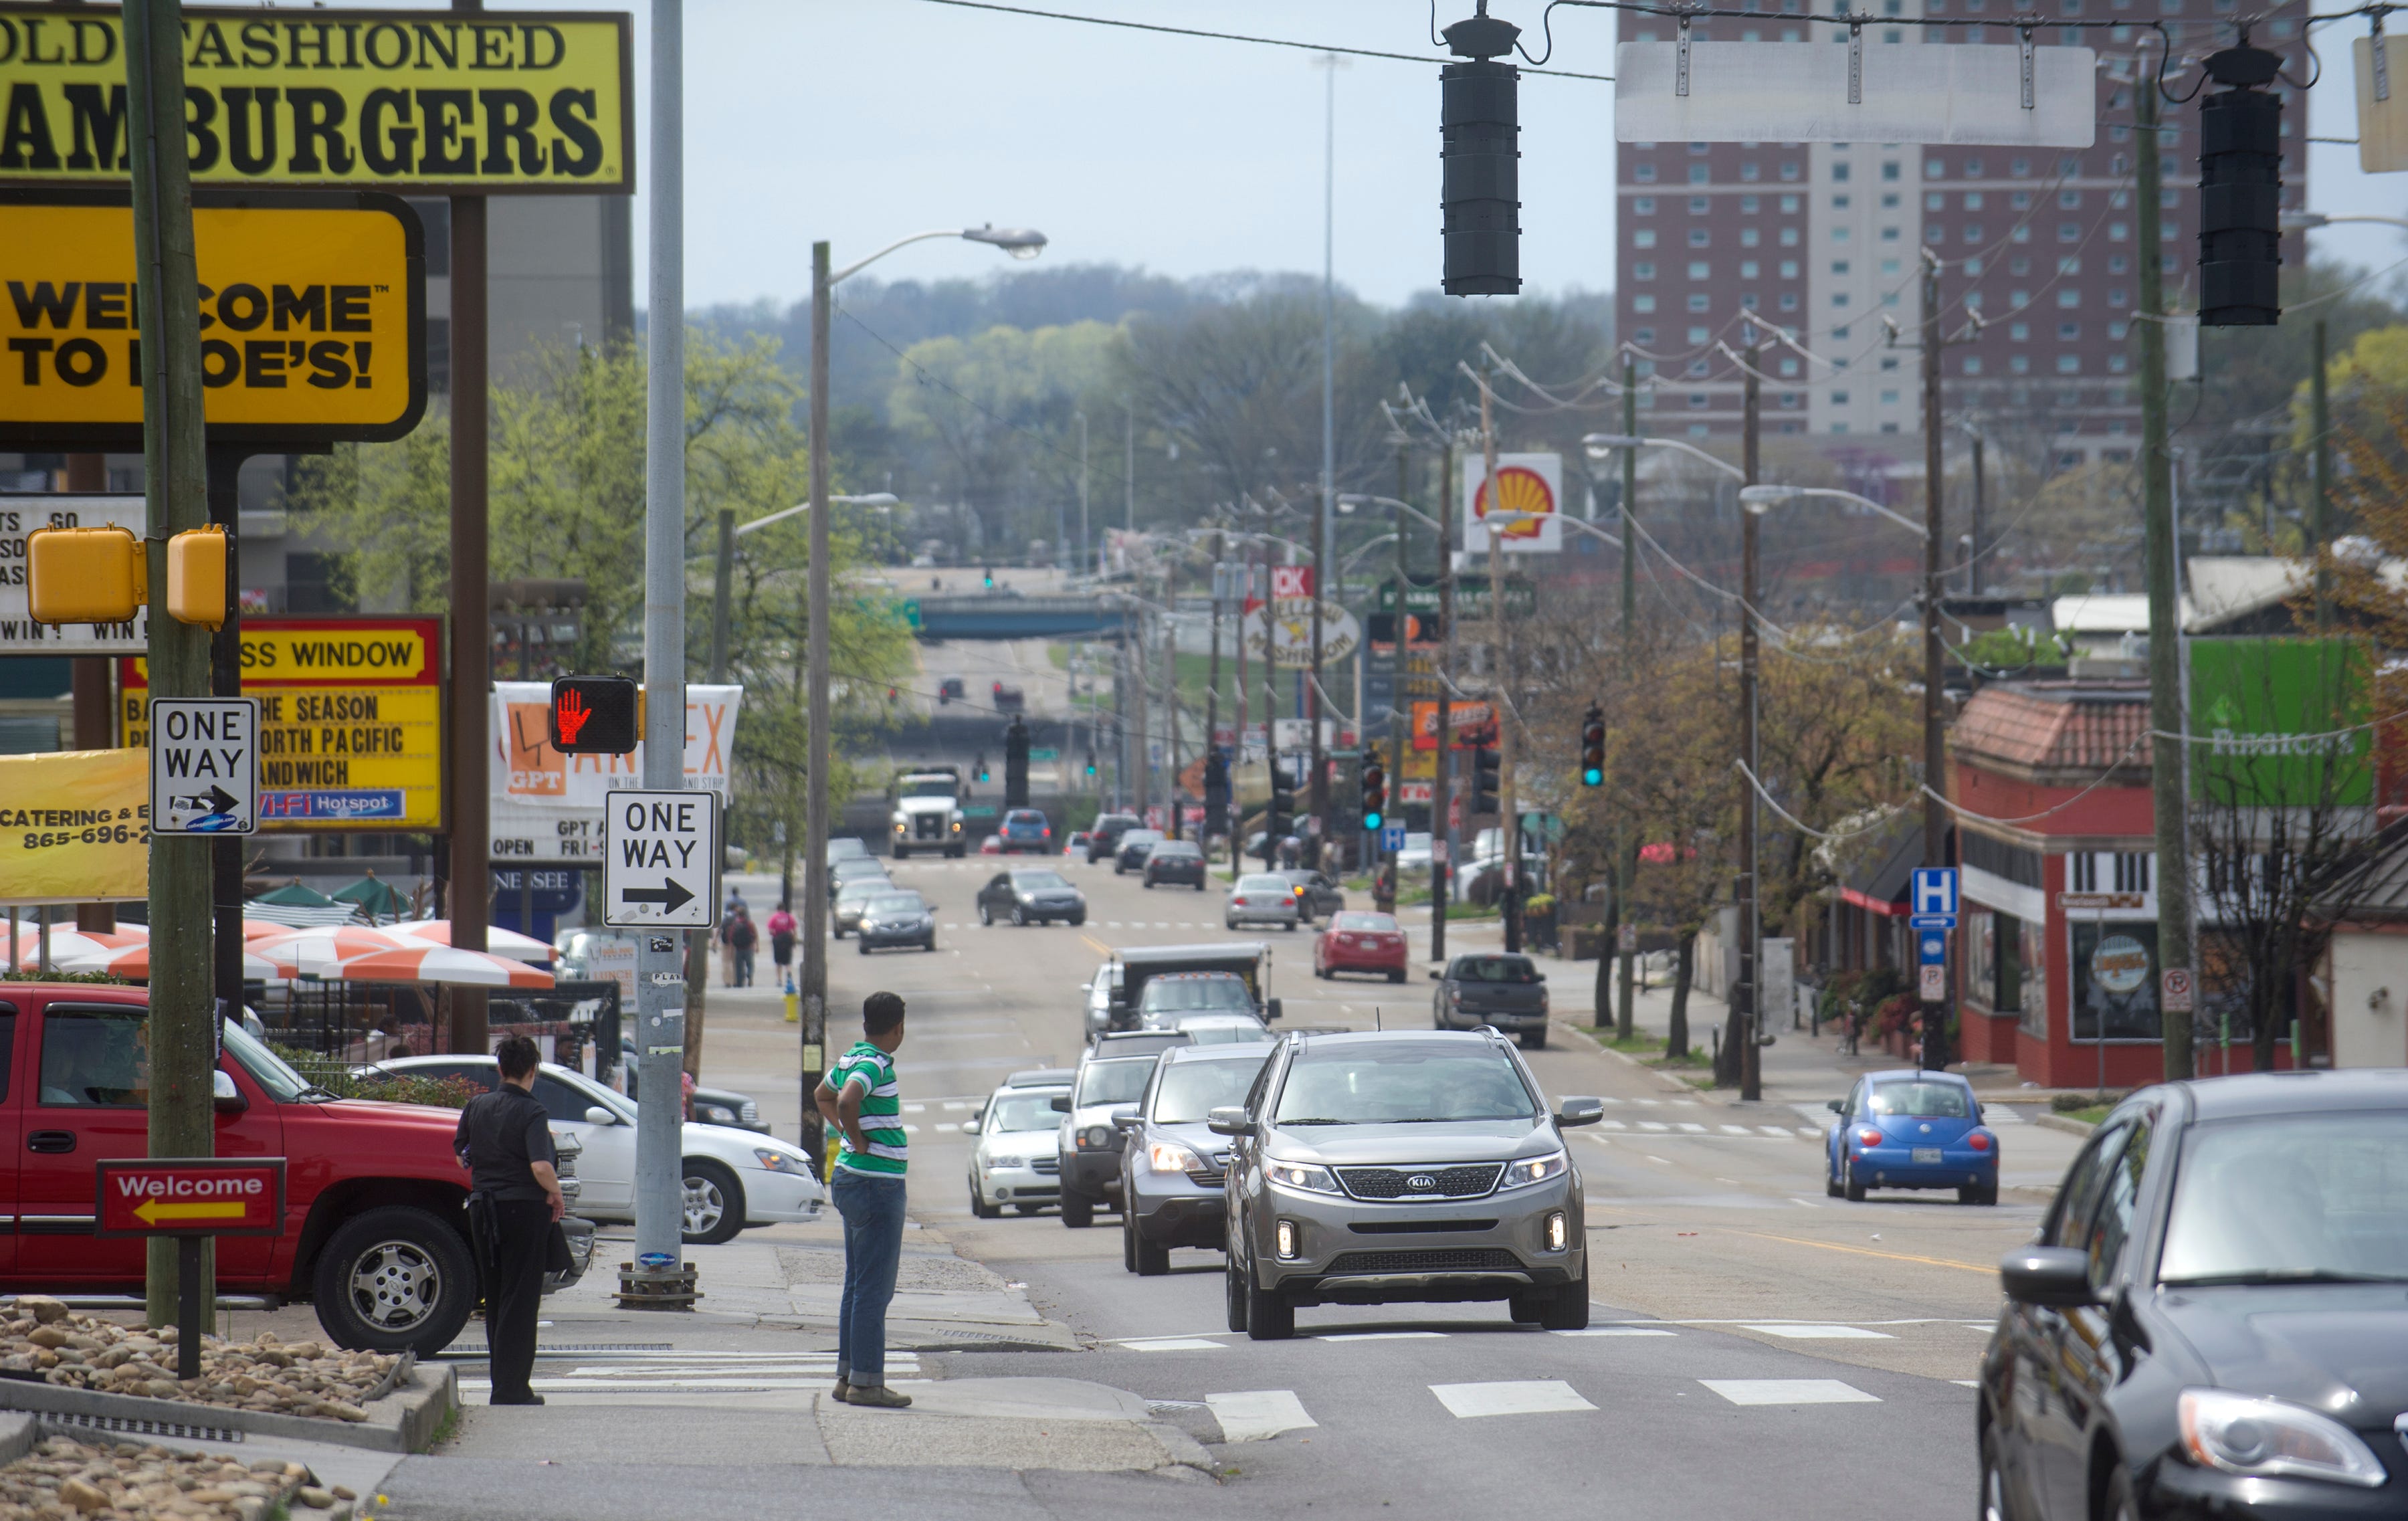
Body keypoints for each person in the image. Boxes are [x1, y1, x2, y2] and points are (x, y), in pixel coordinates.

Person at [453, 1035, 565, 1406]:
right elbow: (540, 1166)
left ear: (500, 1069)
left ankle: (501, 1382)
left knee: (497, 1296)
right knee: (522, 1298)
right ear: (533, 1070)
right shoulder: (533, 1112)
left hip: (483, 1209)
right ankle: (512, 1388)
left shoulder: (476, 1105)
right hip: (523, 1210)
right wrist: (556, 1192)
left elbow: (463, 1157)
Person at [813, 992, 912, 1409]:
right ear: (898, 1028)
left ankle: (848, 1375)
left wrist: (845, 1135)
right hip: (877, 1184)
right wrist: (855, 1136)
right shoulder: (873, 1063)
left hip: (852, 1179)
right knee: (874, 1289)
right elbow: (848, 1099)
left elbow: (823, 1095)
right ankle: (868, 1383)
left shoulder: (850, 1057)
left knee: (856, 1284)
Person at [767, 900, 797, 983]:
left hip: (778, 940)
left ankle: (779, 979)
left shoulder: (774, 918)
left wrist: (776, 933)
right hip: (787, 939)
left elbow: (770, 931)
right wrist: (794, 941)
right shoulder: (789, 917)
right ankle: (789, 975)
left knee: (778, 962)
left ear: (777, 909)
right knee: (788, 961)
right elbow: (794, 930)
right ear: (784, 908)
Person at [730, 908, 758, 988]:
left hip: (738, 948)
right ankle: (749, 975)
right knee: (750, 964)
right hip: (749, 947)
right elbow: (755, 935)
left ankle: (740, 982)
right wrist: (756, 946)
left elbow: (731, 938)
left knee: (739, 967)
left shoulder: (734, 924)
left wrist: (732, 950)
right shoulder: (750, 923)